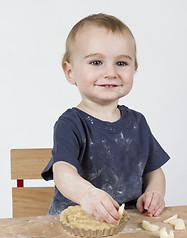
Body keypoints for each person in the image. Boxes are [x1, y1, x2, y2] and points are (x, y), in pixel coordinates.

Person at [42, 13, 170, 225]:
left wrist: (154, 193)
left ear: (134, 68)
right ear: (70, 71)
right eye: (96, 62)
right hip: (75, 223)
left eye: (121, 63)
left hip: (124, 223)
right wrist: (87, 195)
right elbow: (62, 172)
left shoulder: (138, 123)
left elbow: (154, 171)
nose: (110, 72)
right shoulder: (71, 124)